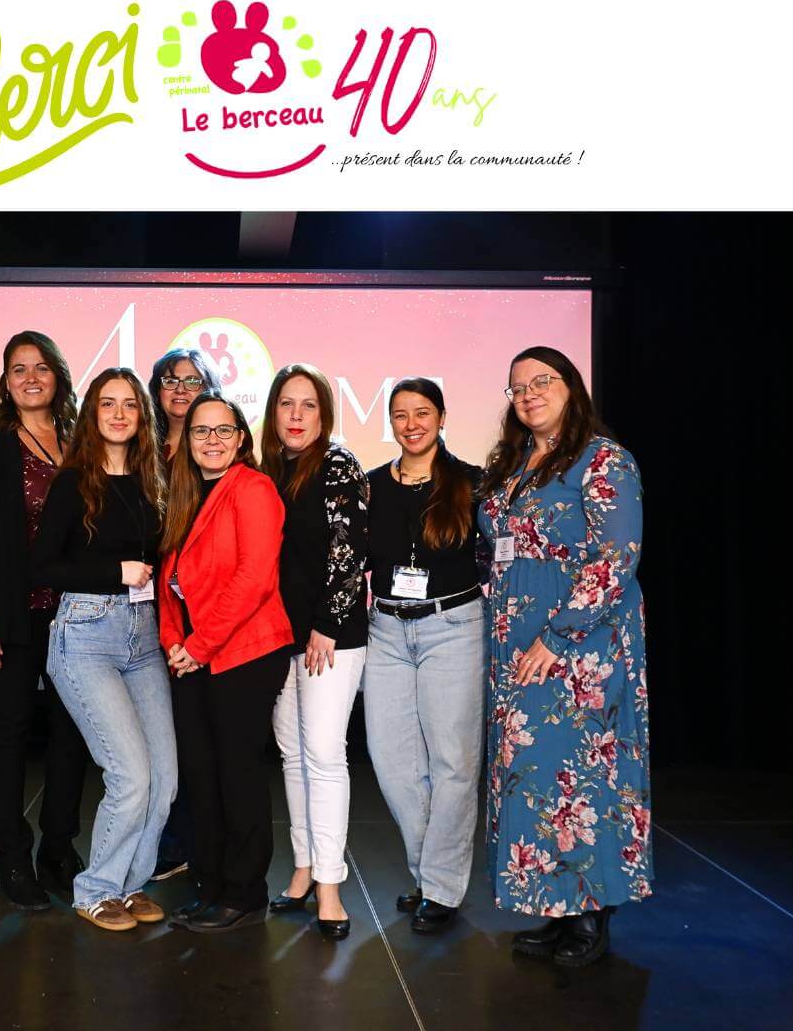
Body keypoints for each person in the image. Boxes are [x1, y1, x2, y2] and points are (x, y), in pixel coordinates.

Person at [478, 346, 652, 967]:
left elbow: (615, 559)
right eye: (518, 387)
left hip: (581, 646)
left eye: (541, 381)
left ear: (571, 387)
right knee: (533, 775)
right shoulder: (513, 462)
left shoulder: (604, 460)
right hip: (517, 640)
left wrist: (558, 636)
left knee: (582, 775)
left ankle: (591, 911)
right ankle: (555, 904)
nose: (528, 394)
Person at [0, 331, 91, 910]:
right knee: (8, 730)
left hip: (75, 615)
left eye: (40, 367)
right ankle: (11, 856)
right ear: (6, 381)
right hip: (9, 614)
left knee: (72, 732)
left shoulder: (80, 441)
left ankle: (58, 848)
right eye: (18, 369)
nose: (30, 378)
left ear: (58, 376)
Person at [30, 368, 175, 932]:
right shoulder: (73, 483)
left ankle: (129, 885)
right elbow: (43, 567)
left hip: (143, 635)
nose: (118, 414)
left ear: (142, 416)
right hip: (86, 635)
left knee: (165, 779)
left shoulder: (152, 481)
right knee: (131, 774)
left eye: (129, 405)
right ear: (92, 414)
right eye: (107, 404)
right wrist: (115, 572)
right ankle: (95, 891)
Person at [157, 394, 294, 933]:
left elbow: (253, 579)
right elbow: (169, 580)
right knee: (200, 775)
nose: (211, 440)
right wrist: (174, 641)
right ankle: (210, 886)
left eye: (222, 430)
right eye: (200, 431)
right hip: (193, 655)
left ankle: (244, 892)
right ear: (187, 440)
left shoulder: (253, 489)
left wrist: (198, 646)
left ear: (241, 438)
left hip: (244, 652)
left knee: (236, 775)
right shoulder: (185, 496)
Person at [362, 378, 486, 935]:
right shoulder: (370, 487)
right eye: (400, 414)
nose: (411, 424)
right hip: (387, 630)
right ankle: (427, 872)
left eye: (422, 412)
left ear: (441, 417)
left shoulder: (472, 483)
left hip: (453, 626)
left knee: (452, 764)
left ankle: (439, 887)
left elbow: (496, 554)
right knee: (393, 763)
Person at [260, 364, 369, 941]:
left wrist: (326, 624)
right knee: (292, 754)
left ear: (324, 414)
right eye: (287, 404)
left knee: (324, 754)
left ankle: (330, 885)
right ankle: (304, 868)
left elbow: (350, 551)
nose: (297, 415)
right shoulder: (268, 470)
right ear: (273, 412)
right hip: (280, 636)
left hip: (331, 636)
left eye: (308, 405)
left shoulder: (338, 464)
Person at [143, 346, 224, 880]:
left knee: (192, 732)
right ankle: (160, 836)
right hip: (140, 602)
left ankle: (183, 842)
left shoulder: (216, 453)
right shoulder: (140, 446)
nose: (180, 389)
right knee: (156, 732)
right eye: (170, 380)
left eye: (192, 381)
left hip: (199, 611)